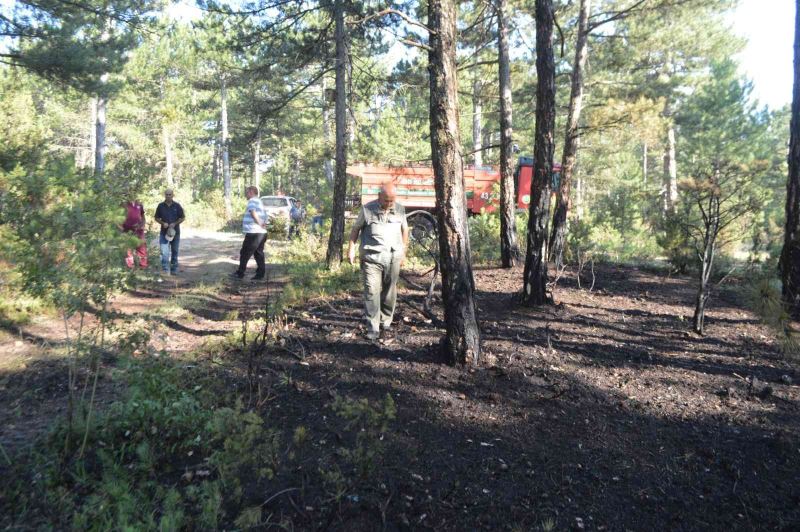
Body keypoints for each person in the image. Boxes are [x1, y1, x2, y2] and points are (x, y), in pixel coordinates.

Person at [348, 182, 408, 341]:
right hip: (371, 258)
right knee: (372, 291)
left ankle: (386, 321)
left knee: (389, 291)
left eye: (392, 200)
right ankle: (373, 327)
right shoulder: (367, 210)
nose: (390, 204)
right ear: (379, 197)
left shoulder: (400, 209)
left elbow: (405, 230)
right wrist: (351, 248)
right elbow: (355, 229)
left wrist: (403, 253)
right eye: (387, 200)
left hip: (393, 257)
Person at [232, 185, 268, 280]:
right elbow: (264, 216)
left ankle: (240, 273)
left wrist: (259, 223)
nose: (246, 195)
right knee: (258, 253)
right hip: (261, 233)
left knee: (245, 253)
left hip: (254, 232)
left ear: (251, 192)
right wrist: (263, 224)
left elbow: (252, 212)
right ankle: (260, 274)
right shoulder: (260, 201)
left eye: (247, 193)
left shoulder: (252, 201)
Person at [154, 189, 185, 276]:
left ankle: (174, 269)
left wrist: (174, 223)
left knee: (174, 251)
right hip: (164, 233)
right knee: (164, 252)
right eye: (167, 194)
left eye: (170, 194)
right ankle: (165, 269)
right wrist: (162, 223)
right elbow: (156, 217)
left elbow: (182, 217)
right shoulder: (160, 206)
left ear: (172, 195)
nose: (168, 196)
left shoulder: (177, 206)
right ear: (164, 195)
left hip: (175, 232)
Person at [122, 197, 148, 269]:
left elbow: (142, 215)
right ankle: (130, 266)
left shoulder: (139, 203)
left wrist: (143, 224)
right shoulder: (124, 204)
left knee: (142, 247)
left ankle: (143, 265)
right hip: (127, 230)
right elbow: (118, 217)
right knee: (128, 248)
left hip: (139, 230)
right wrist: (121, 227)